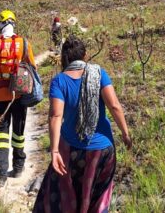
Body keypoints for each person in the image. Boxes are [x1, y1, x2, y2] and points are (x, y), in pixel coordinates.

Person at [33, 36, 132, 213]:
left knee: (67, 195)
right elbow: (114, 106)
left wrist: (54, 150)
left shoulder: (59, 81)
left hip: (71, 150)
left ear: (64, 58)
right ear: (85, 55)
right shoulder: (99, 74)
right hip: (102, 150)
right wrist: (125, 133)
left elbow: (56, 115)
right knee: (98, 197)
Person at [0, 9, 36, 184]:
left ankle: (1, 173)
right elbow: (32, 67)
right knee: (18, 132)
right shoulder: (23, 43)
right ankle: (18, 167)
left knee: (1, 134)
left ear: (1, 24)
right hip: (19, 96)